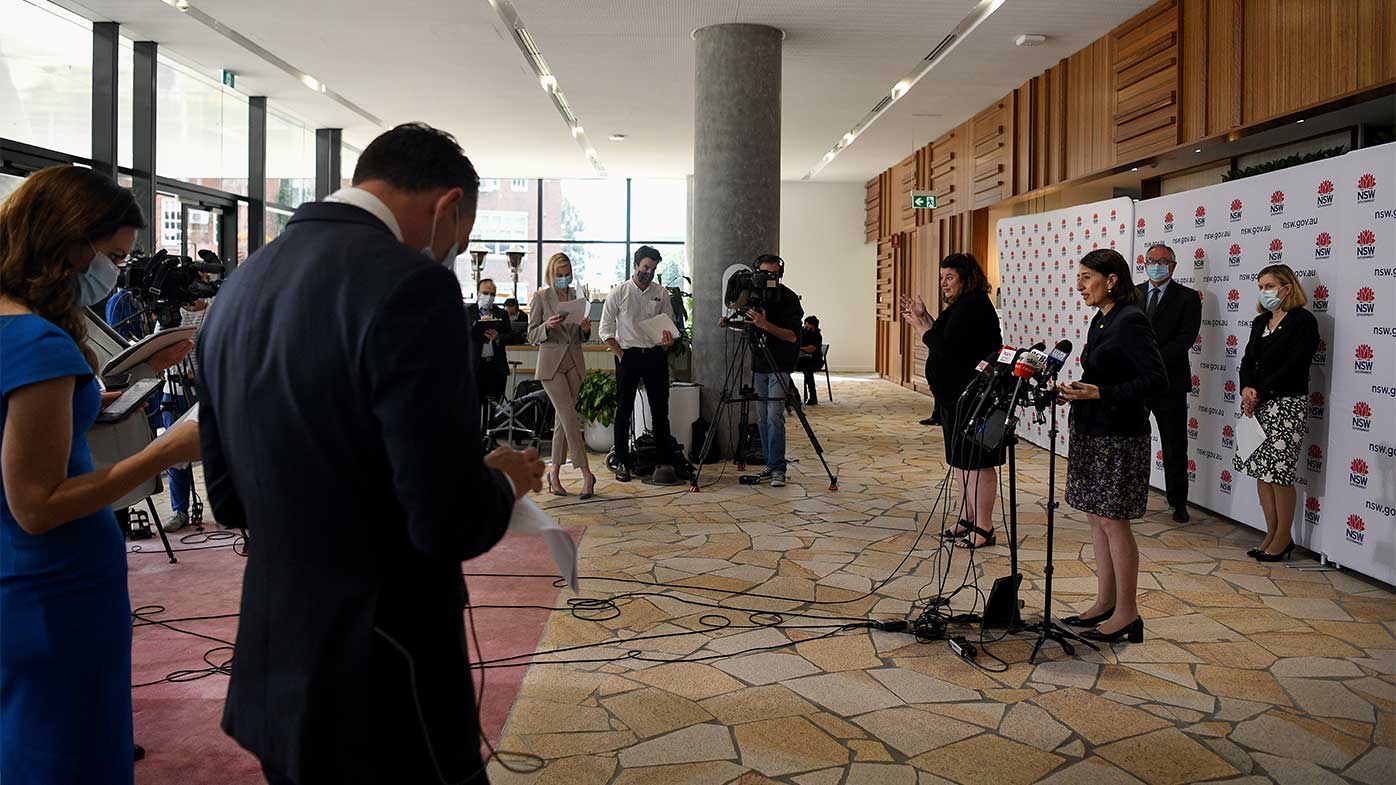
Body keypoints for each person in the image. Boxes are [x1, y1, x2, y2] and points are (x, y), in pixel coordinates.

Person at [196, 123, 545, 785]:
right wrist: (501, 482)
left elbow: (229, 496)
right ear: (448, 206)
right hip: (382, 675)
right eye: (459, 241)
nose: (449, 255)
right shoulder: (411, 286)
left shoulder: (241, 284)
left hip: (276, 665)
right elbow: (445, 522)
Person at [0, 165, 201, 784]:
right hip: (53, 581)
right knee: (68, 750)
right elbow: (37, 503)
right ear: (67, 242)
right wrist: (167, 450)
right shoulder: (39, 343)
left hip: (17, 576)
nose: (115, 272)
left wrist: (102, 392)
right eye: (112, 257)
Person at [1058, 248, 1166, 644]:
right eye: (1079, 277)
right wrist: (1078, 391)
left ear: (1112, 280)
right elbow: (1102, 374)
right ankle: (1105, 602)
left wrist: (1100, 393)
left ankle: (1127, 614)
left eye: (1087, 277)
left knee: (1114, 522)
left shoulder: (1131, 319)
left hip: (1119, 436)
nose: (1080, 285)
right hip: (1093, 430)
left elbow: (1156, 380)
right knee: (1096, 518)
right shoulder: (1102, 319)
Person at [901, 253, 1004, 549]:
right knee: (961, 461)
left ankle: (984, 526)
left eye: (950, 278)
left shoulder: (974, 306)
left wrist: (920, 328)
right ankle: (968, 518)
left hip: (975, 398)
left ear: (966, 279)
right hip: (955, 398)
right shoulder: (961, 305)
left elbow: (946, 348)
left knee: (977, 462)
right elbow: (946, 337)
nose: (944, 283)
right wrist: (924, 318)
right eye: (941, 278)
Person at [1234, 264, 1319, 562]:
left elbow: (1296, 364)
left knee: (1279, 473)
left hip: (1286, 404)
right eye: (1261, 286)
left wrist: (1260, 392)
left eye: (1269, 286)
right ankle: (1271, 532)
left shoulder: (1302, 321)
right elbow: (1248, 359)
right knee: (1262, 471)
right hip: (1256, 404)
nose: (1264, 291)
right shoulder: (1261, 321)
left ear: (1287, 288)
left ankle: (1283, 537)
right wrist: (1246, 387)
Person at [721, 255, 803, 487]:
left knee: (775, 416)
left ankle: (778, 468)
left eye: (774, 275)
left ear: (780, 274)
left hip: (780, 364)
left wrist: (765, 324)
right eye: (764, 274)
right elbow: (751, 324)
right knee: (763, 417)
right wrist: (730, 323)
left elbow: (791, 336)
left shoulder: (788, 298)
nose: (769, 279)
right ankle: (770, 463)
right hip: (759, 363)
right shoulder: (753, 295)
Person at [1137, 243, 1201, 523]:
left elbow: (1185, 338)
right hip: (1136, 383)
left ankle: (1178, 503)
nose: (1156, 266)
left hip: (1170, 383)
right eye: (1151, 261)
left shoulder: (1188, 297)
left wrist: (1150, 360)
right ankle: (1133, 496)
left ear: (1173, 266)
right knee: (1134, 442)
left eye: (1162, 262)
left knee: (1174, 446)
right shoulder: (1133, 294)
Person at [599, 245, 674, 482]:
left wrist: (667, 340)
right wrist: (621, 355)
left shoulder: (661, 293)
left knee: (660, 410)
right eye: (645, 267)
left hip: (654, 355)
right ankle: (622, 461)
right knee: (624, 410)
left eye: (653, 269)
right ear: (635, 265)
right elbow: (605, 330)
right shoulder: (619, 292)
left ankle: (663, 462)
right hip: (627, 354)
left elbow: (669, 325)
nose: (649, 273)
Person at [529, 252, 596, 498]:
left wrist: (586, 330)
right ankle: (587, 473)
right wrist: (547, 326)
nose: (564, 278)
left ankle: (554, 474)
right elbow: (531, 335)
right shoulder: (540, 297)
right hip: (551, 365)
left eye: (567, 274)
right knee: (569, 416)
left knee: (562, 420)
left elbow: (580, 336)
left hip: (574, 363)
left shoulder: (578, 297)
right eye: (559, 274)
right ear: (551, 274)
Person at [465, 277, 522, 428]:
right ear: (478, 293)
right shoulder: (467, 312)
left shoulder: (501, 314)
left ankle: (491, 434)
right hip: (475, 367)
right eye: (485, 293)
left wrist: (498, 337)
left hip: (495, 366)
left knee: (493, 405)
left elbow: (511, 336)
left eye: (492, 294)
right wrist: (476, 329)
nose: (488, 297)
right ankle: (475, 437)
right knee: (473, 406)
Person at [796, 315, 824, 405]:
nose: (807, 330)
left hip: (815, 361)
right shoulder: (800, 332)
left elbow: (811, 349)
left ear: (815, 328)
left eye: (810, 328)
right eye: (806, 327)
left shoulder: (817, 336)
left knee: (807, 370)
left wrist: (799, 348)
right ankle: (794, 395)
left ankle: (813, 397)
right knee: (784, 369)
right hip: (801, 360)